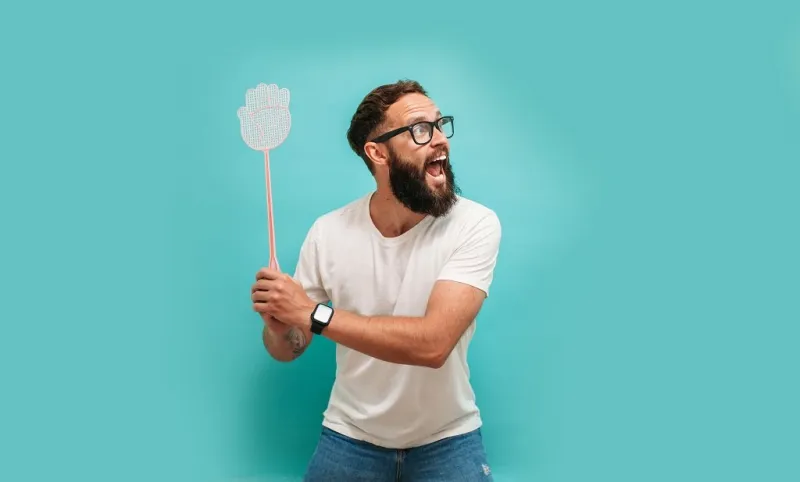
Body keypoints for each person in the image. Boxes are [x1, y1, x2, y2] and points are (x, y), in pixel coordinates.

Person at [250, 79, 502, 481]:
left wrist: (312, 314)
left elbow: (434, 344)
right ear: (377, 152)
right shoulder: (328, 232)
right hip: (350, 436)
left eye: (440, 125)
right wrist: (280, 329)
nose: (441, 139)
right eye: (421, 130)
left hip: (447, 437)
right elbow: (288, 349)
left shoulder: (474, 224)